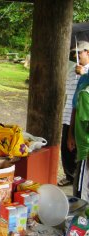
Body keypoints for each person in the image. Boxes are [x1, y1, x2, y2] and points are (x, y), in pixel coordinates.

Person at [59, 41, 89, 194]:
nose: (76, 56)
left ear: (88, 52)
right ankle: (70, 175)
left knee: (82, 188)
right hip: (72, 118)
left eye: (79, 53)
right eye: (74, 54)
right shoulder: (76, 73)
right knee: (67, 149)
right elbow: (74, 105)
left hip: (85, 139)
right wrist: (71, 132)